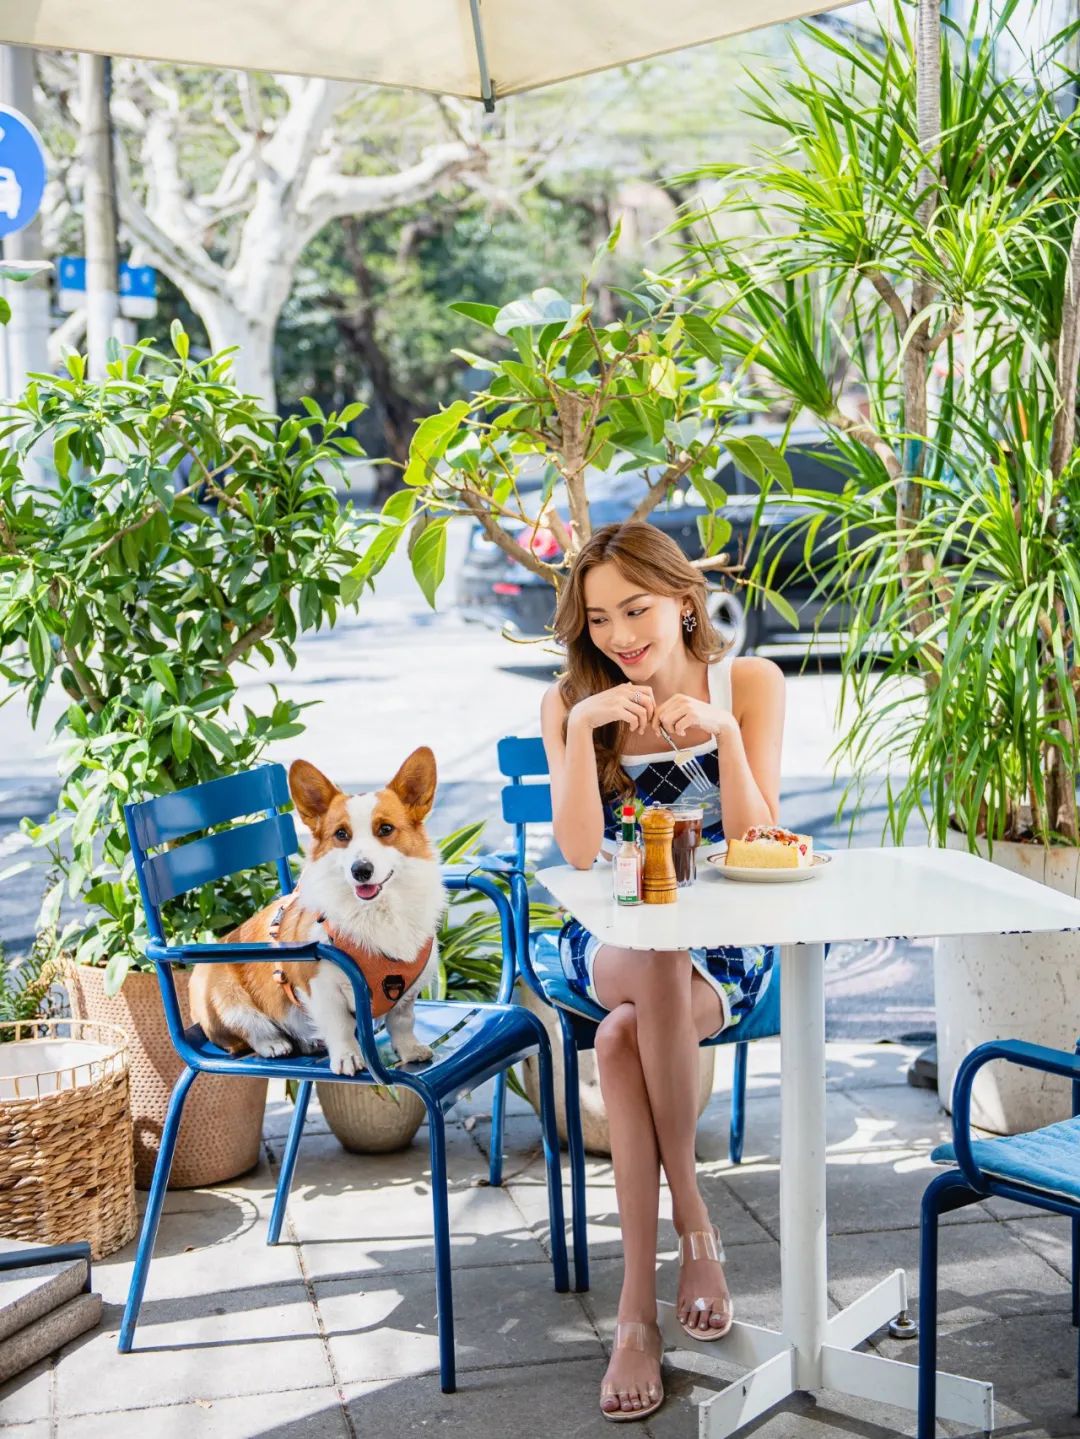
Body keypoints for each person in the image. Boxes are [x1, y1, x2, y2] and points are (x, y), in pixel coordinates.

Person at [540, 521, 785, 1423]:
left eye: (635, 609)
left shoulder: (747, 684)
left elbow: (760, 840)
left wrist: (721, 734)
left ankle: (635, 1317)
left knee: (620, 1037)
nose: (618, 635)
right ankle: (697, 1226)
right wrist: (577, 729)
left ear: (684, 599)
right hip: (607, 935)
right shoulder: (575, 699)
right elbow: (574, 851)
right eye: (599, 618)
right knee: (650, 943)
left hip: (724, 944)